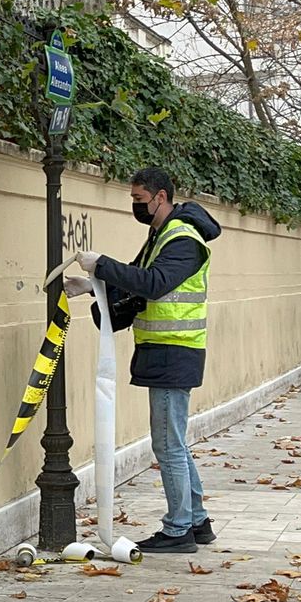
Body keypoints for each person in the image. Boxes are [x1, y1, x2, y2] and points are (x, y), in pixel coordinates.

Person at [58, 167, 222, 554]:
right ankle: (197, 522)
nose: (136, 206)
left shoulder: (183, 239)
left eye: (139, 200)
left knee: (167, 445)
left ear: (160, 197)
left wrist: (101, 264)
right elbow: (137, 278)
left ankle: (178, 530)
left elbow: (154, 284)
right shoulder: (162, 235)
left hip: (174, 351)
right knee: (174, 442)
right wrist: (94, 286)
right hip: (165, 350)